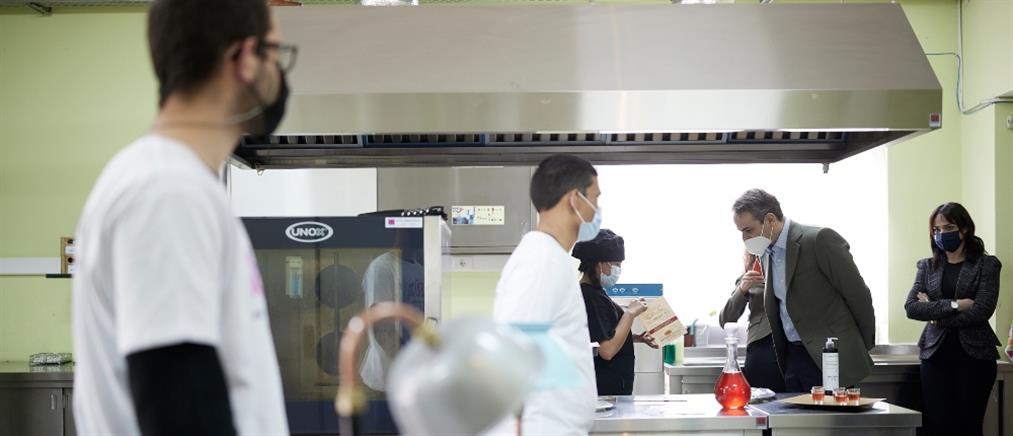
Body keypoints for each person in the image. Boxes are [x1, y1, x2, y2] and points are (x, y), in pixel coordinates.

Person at [71, 1, 295, 434]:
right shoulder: (167, 191)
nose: (280, 74)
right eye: (275, 52)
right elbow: (179, 406)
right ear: (245, 58)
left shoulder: (176, 182)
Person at [483, 154, 601, 436]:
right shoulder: (541, 261)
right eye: (595, 198)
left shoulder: (551, 257)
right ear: (575, 199)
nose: (597, 209)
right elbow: (513, 353)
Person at [731, 189, 875, 392]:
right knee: (796, 413)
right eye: (741, 232)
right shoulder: (766, 254)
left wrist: (860, 345)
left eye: (748, 230)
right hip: (792, 358)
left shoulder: (818, 240)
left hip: (827, 357)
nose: (745, 238)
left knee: (828, 413)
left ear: (770, 219)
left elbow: (858, 295)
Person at [904, 202, 1001, 436]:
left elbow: (982, 310)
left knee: (968, 427)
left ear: (964, 229)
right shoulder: (927, 266)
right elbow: (912, 308)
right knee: (939, 426)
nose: (941, 234)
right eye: (936, 230)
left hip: (975, 357)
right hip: (934, 357)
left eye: (948, 228)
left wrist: (936, 316)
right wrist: (954, 305)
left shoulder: (987, 265)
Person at [572, 229, 659, 396]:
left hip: (611, 388)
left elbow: (602, 334)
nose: (619, 269)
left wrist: (636, 338)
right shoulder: (589, 296)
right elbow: (606, 350)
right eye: (616, 264)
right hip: (604, 390)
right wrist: (630, 314)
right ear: (601, 264)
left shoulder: (596, 293)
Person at [718, 249, 787, 392]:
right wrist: (742, 290)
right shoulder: (750, 276)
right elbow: (726, 319)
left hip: (795, 343)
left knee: (798, 399)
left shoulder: (793, 270)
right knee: (764, 399)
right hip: (763, 345)